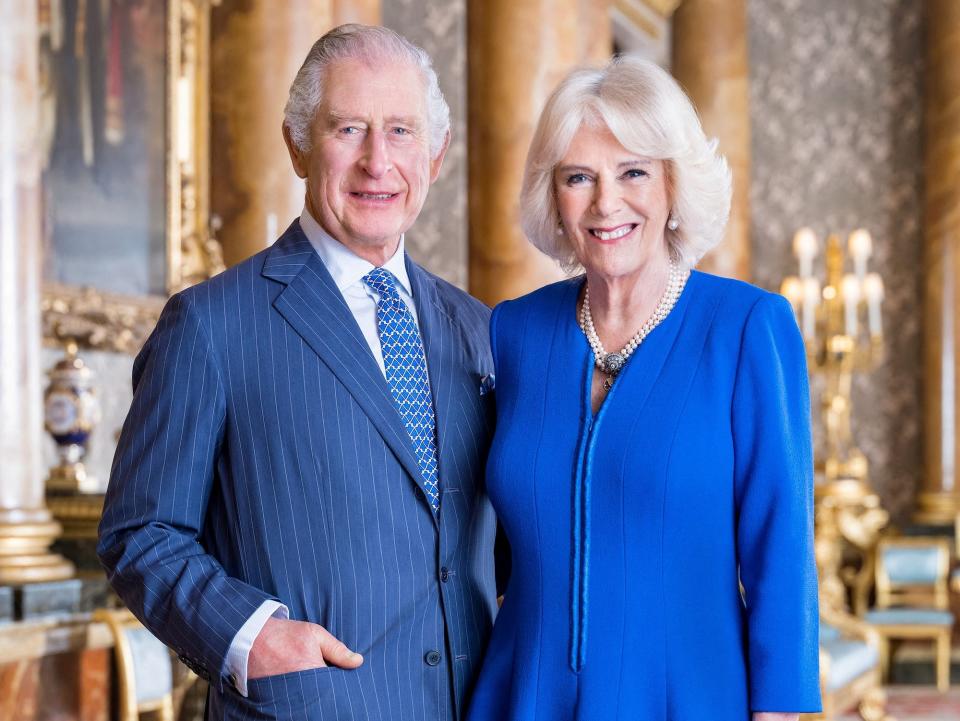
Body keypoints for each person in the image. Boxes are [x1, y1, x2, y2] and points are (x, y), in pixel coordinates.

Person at [98, 24, 498, 721]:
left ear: (437, 155)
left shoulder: (482, 329)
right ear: (298, 143)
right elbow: (141, 532)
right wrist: (250, 638)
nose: (379, 162)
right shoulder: (211, 325)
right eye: (349, 128)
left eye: (401, 131)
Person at [466, 57, 821, 721]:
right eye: (579, 177)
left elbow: (782, 544)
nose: (606, 202)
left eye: (633, 172)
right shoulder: (515, 330)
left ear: (671, 185)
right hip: (524, 691)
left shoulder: (747, 327)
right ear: (555, 197)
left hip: (689, 694)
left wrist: (779, 710)